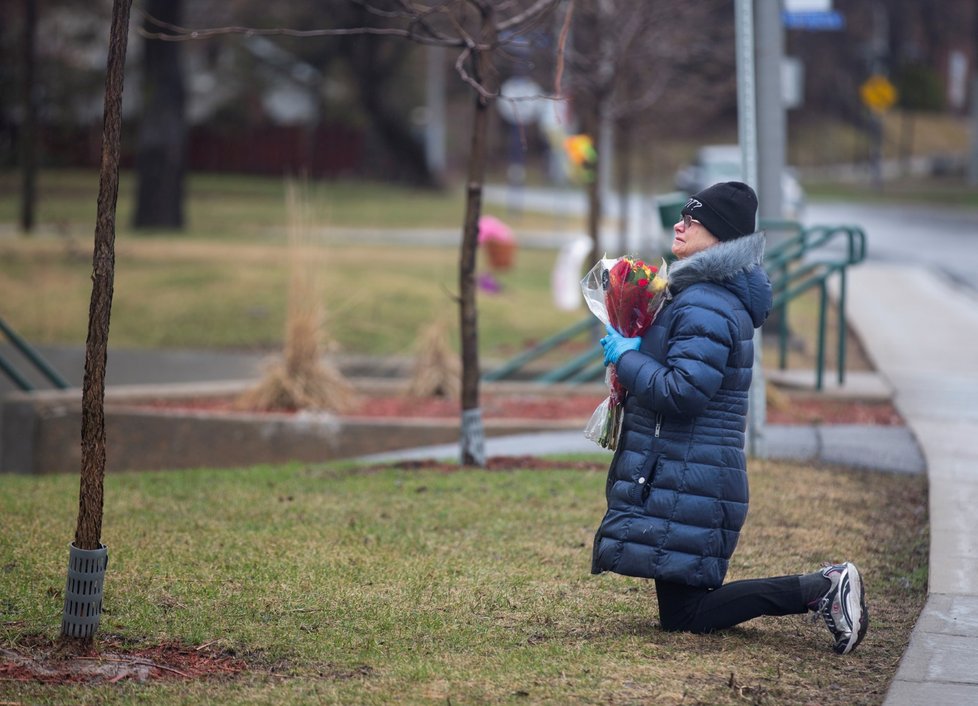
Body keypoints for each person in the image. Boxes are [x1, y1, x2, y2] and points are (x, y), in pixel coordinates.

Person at [593, 181, 869, 655]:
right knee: (682, 615)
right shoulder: (698, 294)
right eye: (681, 216)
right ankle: (820, 587)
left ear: (719, 237)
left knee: (686, 615)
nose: (679, 225)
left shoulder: (708, 303)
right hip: (686, 471)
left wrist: (628, 359)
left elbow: (684, 391)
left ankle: (822, 586)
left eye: (692, 221)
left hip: (692, 474)